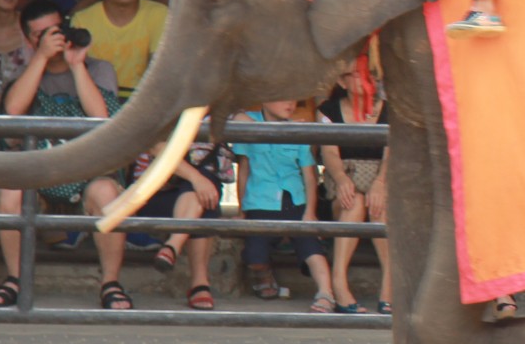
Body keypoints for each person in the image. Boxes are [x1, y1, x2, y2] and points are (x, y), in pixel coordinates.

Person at [0, 1, 129, 311]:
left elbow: (101, 116)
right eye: (41, 34)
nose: (52, 37)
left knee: (107, 193)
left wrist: (77, 64)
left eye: (57, 29)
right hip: (39, 174)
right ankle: (15, 278)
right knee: (11, 192)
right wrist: (41, 57)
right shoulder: (24, 74)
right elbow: (13, 111)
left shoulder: (98, 69)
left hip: (89, 173)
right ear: (27, 39)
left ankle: (111, 282)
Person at [235, 100, 336, 310]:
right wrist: (241, 208)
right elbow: (244, 168)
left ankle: (326, 293)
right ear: (264, 99)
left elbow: (309, 176)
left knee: (311, 246)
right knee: (255, 255)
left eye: (293, 99)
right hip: (260, 199)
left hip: (294, 199)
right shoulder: (248, 122)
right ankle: (265, 275)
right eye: (282, 98)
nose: (290, 104)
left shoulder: (297, 130)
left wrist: (310, 211)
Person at [318, 69, 393, 315]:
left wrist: (381, 182)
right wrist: (341, 179)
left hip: (381, 183)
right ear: (342, 81)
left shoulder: (389, 110)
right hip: (344, 183)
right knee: (354, 203)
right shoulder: (328, 110)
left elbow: (391, 154)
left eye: (370, 74)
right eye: (357, 74)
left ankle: (390, 285)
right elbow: (329, 152)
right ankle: (339, 284)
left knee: (379, 207)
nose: (366, 79)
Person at [132, 132, 231, 312]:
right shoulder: (161, 106)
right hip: (155, 194)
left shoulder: (219, 112)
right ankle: (199, 284)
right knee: (203, 193)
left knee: (202, 198)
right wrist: (196, 178)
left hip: (197, 197)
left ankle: (172, 246)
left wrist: (290, 125)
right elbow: (156, 146)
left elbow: (254, 122)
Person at [72, 0, 169, 98]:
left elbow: (159, 70)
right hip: (97, 105)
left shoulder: (159, 14)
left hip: (143, 103)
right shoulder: (82, 20)